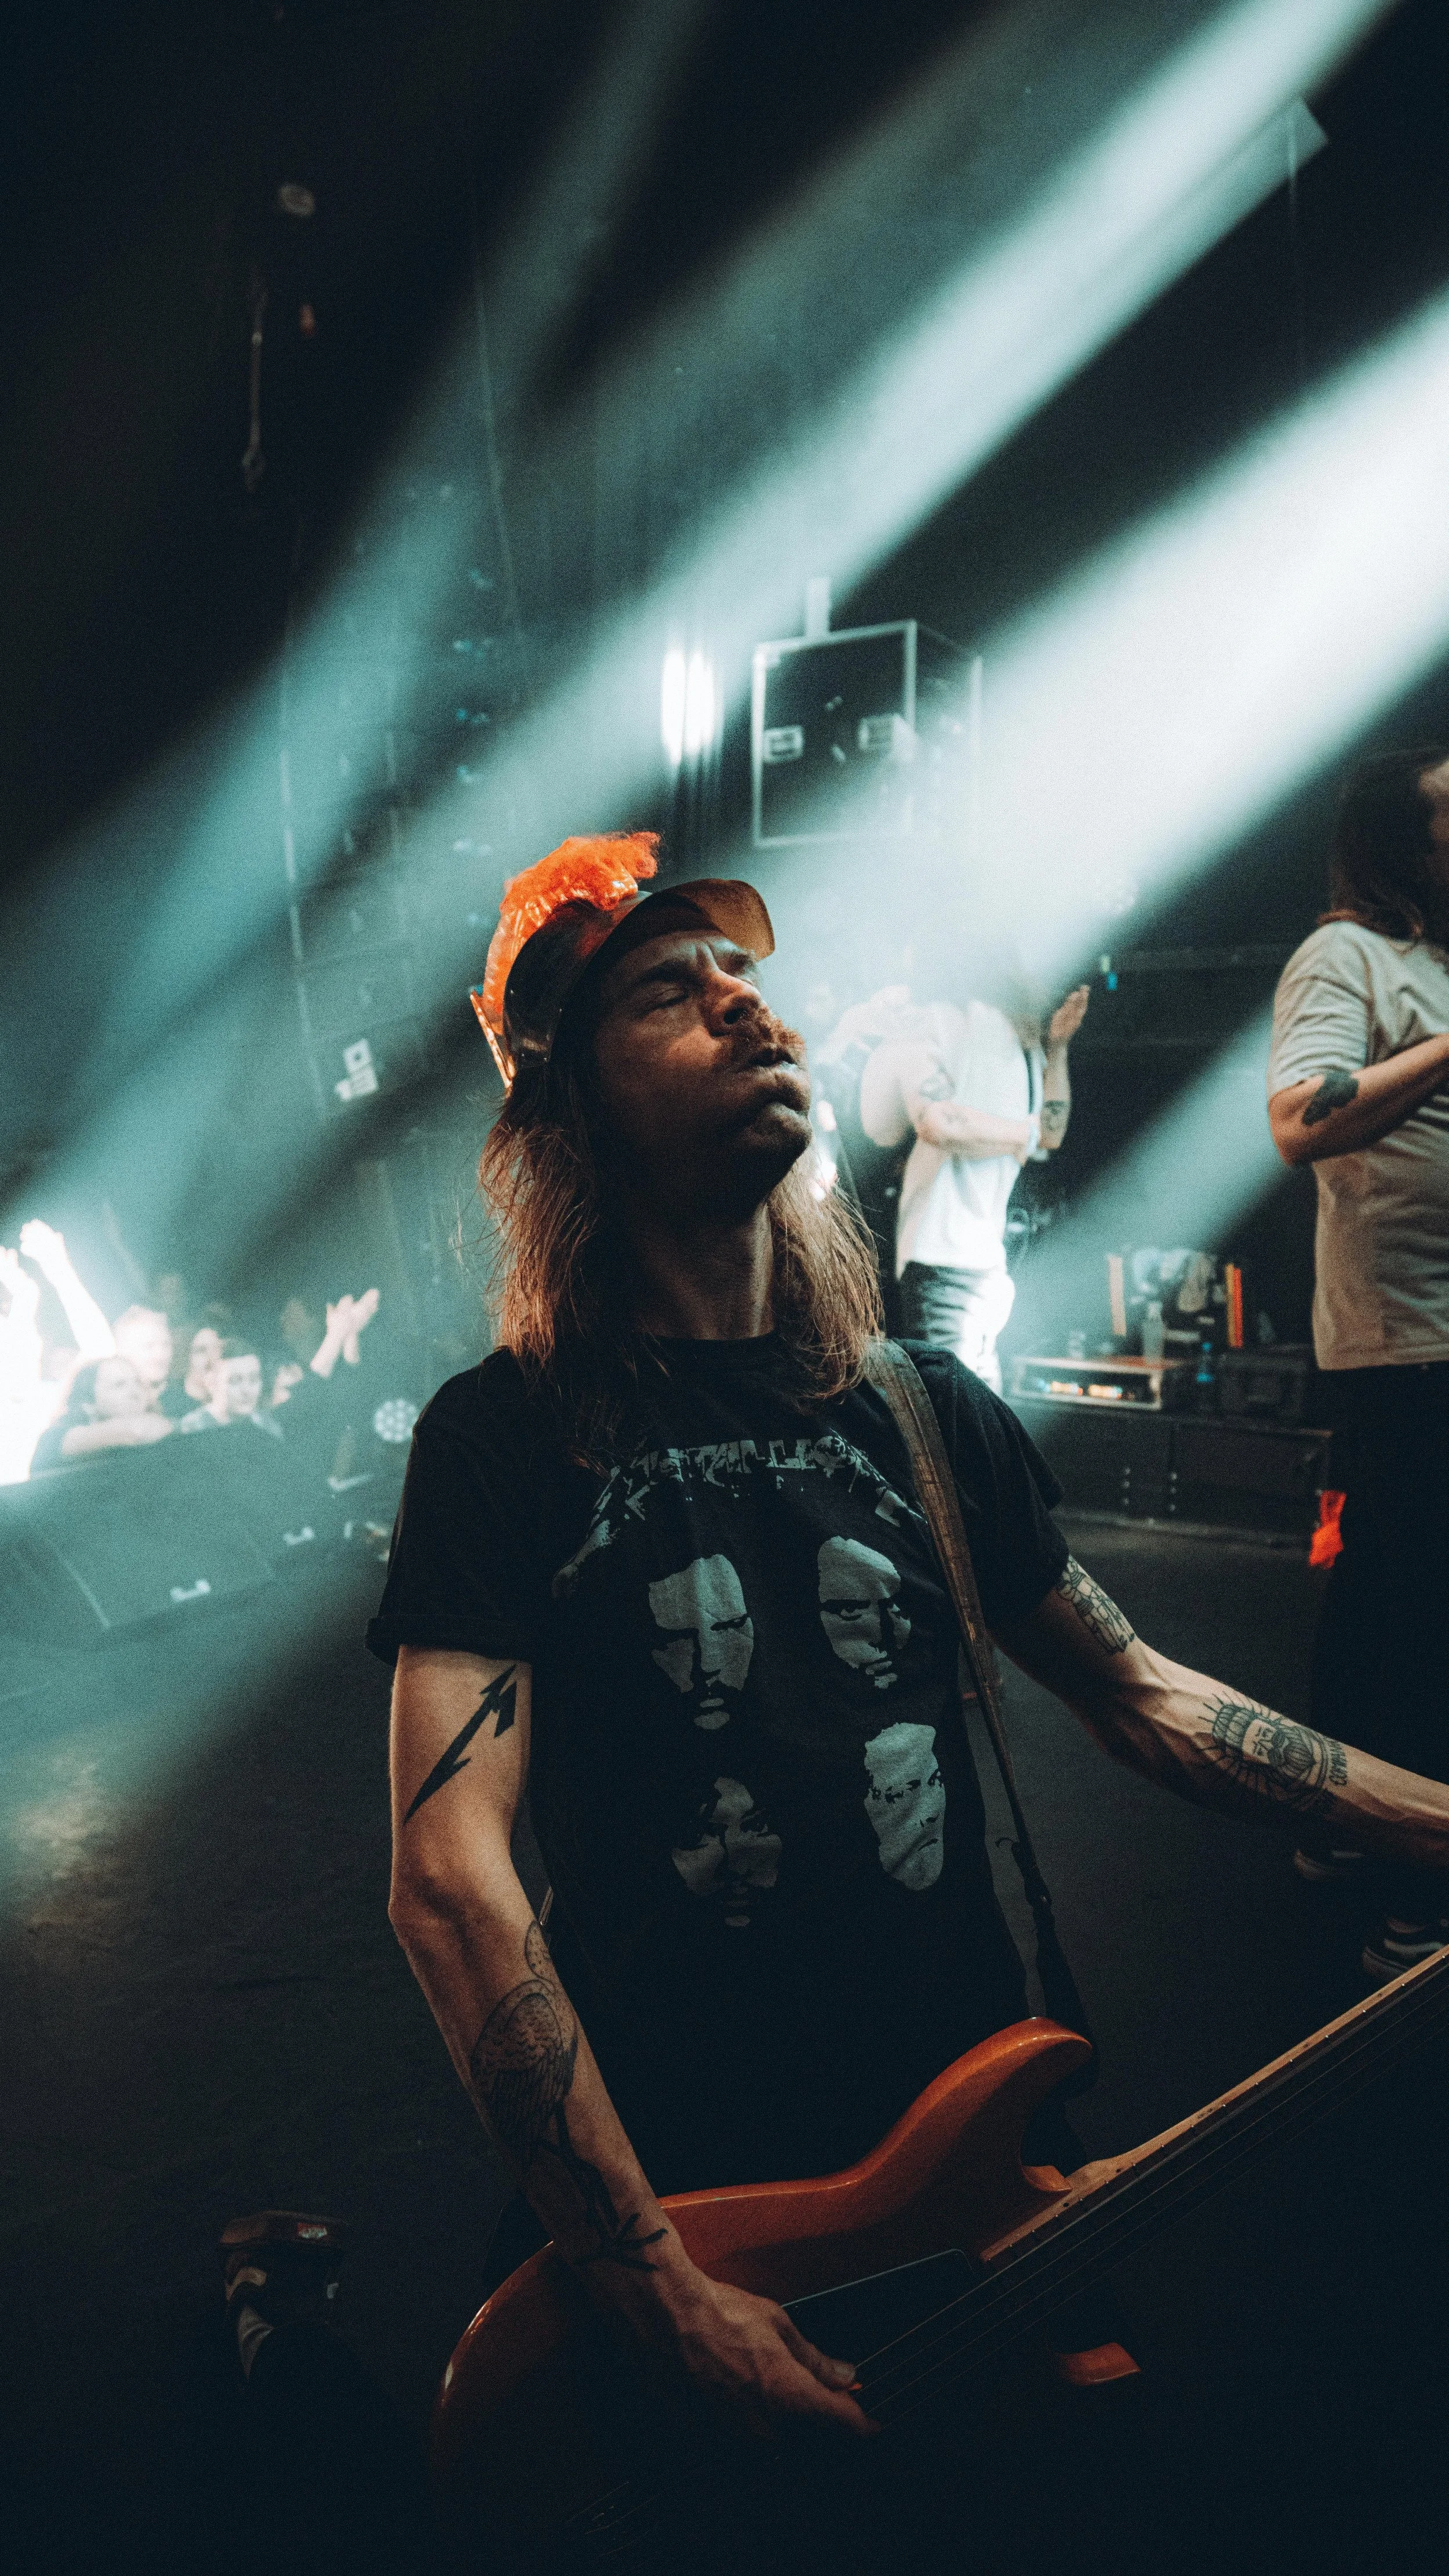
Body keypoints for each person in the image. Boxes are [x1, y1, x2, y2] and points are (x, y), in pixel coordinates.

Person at [370, 831, 1449, 2486]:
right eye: (668, 993)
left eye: (744, 979)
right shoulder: (504, 1437)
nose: (749, 1009)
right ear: (570, 1112)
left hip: (969, 2152)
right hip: (688, 2176)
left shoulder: (919, 1409)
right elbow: (449, 1875)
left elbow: (1143, 1692)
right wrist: (653, 2280)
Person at [1268, 745, 1449, 1983]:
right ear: (1399, 840)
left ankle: (1332, 1823)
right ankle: (1409, 1903)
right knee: (1419, 1618)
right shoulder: (1347, 956)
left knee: (1381, 1592)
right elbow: (1298, 1119)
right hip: (1405, 1340)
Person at [857, 973, 1090, 1389]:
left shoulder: (1027, 1047)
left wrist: (1058, 1047)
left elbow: (1050, 1133)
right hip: (940, 1258)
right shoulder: (948, 1022)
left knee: (984, 1415)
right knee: (957, 1417)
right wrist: (1024, 1135)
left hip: (986, 1266)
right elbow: (938, 1123)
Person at [28, 1353, 174, 1469]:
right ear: (88, 1403)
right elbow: (137, 1431)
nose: (135, 1391)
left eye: (138, 1382)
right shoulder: (54, 1439)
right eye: (119, 1385)